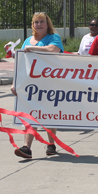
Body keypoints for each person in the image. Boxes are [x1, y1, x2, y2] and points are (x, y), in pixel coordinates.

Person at [11, 12, 64, 159]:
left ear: (48, 24)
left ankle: (51, 144)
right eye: (36, 22)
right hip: (30, 85)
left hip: (49, 83)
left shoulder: (54, 38)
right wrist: (14, 82)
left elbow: (53, 49)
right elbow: (20, 63)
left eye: (42, 22)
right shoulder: (28, 40)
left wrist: (33, 49)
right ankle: (27, 147)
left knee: (48, 115)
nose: (39, 25)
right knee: (30, 115)